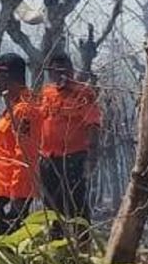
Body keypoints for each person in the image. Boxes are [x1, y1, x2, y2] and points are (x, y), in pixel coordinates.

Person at [38, 53, 102, 226]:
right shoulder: (47, 93)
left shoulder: (83, 93)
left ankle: (82, 245)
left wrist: (92, 155)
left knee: (76, 204)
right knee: (52, 206)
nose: (60, 75)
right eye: (55, 71)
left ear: (71, 71)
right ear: (50, 73)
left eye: (63, 70)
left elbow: (93, 123)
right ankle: (57, 245)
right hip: (48, 159)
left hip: (73, 158)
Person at [0, 53, 39, 235]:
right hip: (2, 190)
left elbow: (25, 155)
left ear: (6, 77)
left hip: (13, 192)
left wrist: (17, 196)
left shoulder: (25, 110)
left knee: (11, 243)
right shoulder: (12, 107)